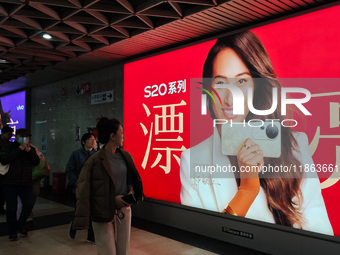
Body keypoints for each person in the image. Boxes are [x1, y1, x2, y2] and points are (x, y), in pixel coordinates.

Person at [180, 30, 333, 235]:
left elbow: (319, 232)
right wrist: (247, 190)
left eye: (242, 81)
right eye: (221, 83)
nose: (230, 98)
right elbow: (198, 240)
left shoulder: (293, 145)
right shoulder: (192, 159)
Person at [72, 117, 143, 255]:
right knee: (107, 251)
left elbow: (130, 179)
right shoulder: (94, 161)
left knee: (123, 250)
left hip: (124, 209)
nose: (124, 136)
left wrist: (130, 190)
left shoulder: (126, 156)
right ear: (112, 136)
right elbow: (84, 190)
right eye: (121, 133)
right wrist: (112, 200)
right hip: (101, 211)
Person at [0, 128, 40, 241]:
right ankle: (12, 231)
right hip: (10, 183)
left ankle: (21, 224)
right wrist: (19, 149)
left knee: (28, 205)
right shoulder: (8, 146)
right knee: (11, 209)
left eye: (28, 137)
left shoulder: (31, 148)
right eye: (23, 136)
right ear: (17, 137)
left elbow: (36, 161)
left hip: (26, 183)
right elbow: (4, 159)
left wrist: (29, 151)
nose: (26, 139)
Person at [66, 133, 97, 243]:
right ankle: (74, 224)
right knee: (80, 210)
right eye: (90, 139)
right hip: (80, 188)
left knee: (92, 213)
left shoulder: (97, 154)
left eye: (94, 139)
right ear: (83, 142)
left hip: (93, 188)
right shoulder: (76, 154)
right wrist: (77, 182)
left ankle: (91, 236)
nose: (93, 141)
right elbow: (69, 170)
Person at [0, 125, 14, 214]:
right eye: (8, 134)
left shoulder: (9, 144)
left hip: (5, 170)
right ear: (3, 133)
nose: (9, 136)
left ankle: (0, 206)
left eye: (11, 135)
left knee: (3, 190)